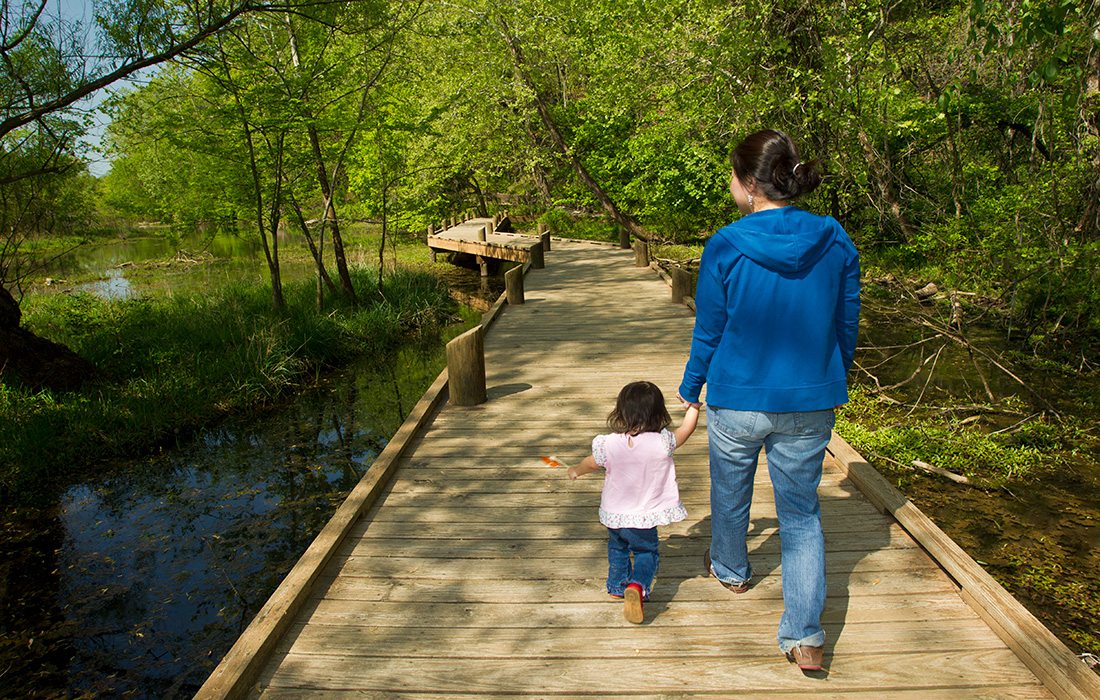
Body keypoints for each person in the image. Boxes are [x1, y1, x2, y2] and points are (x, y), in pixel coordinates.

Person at [677, 129, 861, 672]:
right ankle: (805, 637)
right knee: (801, 515)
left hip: (736, 398)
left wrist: (690, 391)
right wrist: (831, 376)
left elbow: (708, 329)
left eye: (733, 176)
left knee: (729, 492)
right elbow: (845, 322)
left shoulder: (726, 245)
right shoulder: (835, 239)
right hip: (809, 401)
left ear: (750, 184)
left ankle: (732, 570)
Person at [568, 380, 699, 624]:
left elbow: (590, 463)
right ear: (659, 414)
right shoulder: (662, 442)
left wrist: (576, 469)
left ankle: (617, 586)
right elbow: (686, 430)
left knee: (617, 548)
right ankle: (638, 587)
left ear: (621, 412)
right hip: (642, 518)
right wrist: (693, 407)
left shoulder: (609, 444)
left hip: (615, 517)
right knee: (645, 552)